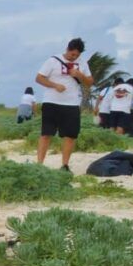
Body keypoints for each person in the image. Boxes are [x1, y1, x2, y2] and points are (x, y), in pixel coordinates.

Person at [36, 37, 94, 172]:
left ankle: (65, 165)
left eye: (77, 55)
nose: (74, 57)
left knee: (71, 135)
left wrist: (79, 75)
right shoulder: (52, 60)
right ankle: (39, 164)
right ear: (67, 49)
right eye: (72, 54)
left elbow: (90, 82)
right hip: (51, 101)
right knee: (46, 134)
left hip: (72, 103)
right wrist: (54, 85)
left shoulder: (83, 63)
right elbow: (39, 78)